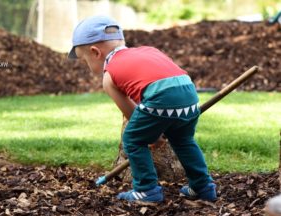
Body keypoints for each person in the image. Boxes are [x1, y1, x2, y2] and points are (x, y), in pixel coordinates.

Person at [68, 15, 217, 203]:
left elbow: (132, 113)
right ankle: (203, 186)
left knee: (132, 139)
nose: (87, 66)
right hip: (189, 92)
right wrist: (156, 127)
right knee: (183, 140)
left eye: (84, 60)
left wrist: (151, 135)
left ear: (95, 52)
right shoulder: (149, 50)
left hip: (161, 98)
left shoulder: (109, 75)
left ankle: (147, 190)